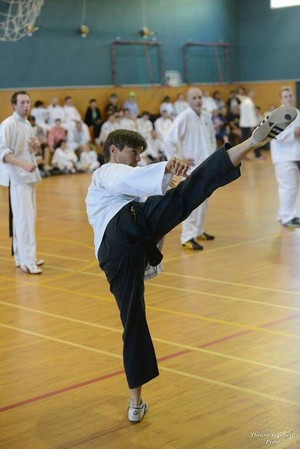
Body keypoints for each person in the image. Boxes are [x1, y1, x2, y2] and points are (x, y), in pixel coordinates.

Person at [85, 106, 296, 423]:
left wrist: (164, 180)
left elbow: (147, 207)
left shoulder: (129, 191)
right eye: (133, 153)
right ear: (113, 151)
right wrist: (164, 168)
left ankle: (136, 403)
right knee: (188, 192)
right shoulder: (105, 173)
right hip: (123, 230)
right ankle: (249, 144)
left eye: (142, 155)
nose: (137, 159)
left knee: (134, 321)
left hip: (117, 256)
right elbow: (124, 176)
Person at [164, 87, 217, 251]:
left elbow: (211, 139)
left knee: (204, 200)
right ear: (188, 101)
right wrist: (178, 160)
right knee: (192, 201)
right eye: (194, 98)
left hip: (207, 164)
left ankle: (199, 230)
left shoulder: (206, 116)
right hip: (191, 167)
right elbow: (168, 141)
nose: (198, 100)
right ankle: (187, 236)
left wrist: (215, 159)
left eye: (200, 97)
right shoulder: (184, 117)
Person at [0, 91, 44, 274]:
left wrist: (35, 146)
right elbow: (4, 153)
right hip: (17, 177)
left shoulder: (27, 124)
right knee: (24, 219)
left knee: (27, 217)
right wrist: (23, 165)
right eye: (23, 102)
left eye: (28, 102)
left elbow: (29, 149)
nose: (26, 105)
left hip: (29, 176)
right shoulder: (7, 125)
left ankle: (21, 256)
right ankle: (28, 260)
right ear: (14, 105)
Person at [270, 87, 300, 227]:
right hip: (282, 157)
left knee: (293, 187)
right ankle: (288, 217)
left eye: (290, 95)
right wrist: (294, 132)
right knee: (287, 187)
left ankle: (285, 214)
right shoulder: (277, 115)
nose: (289, 98)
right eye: (286, 96)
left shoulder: (297, 113)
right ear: (281, 99)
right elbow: (276, 135)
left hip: (295, 156)